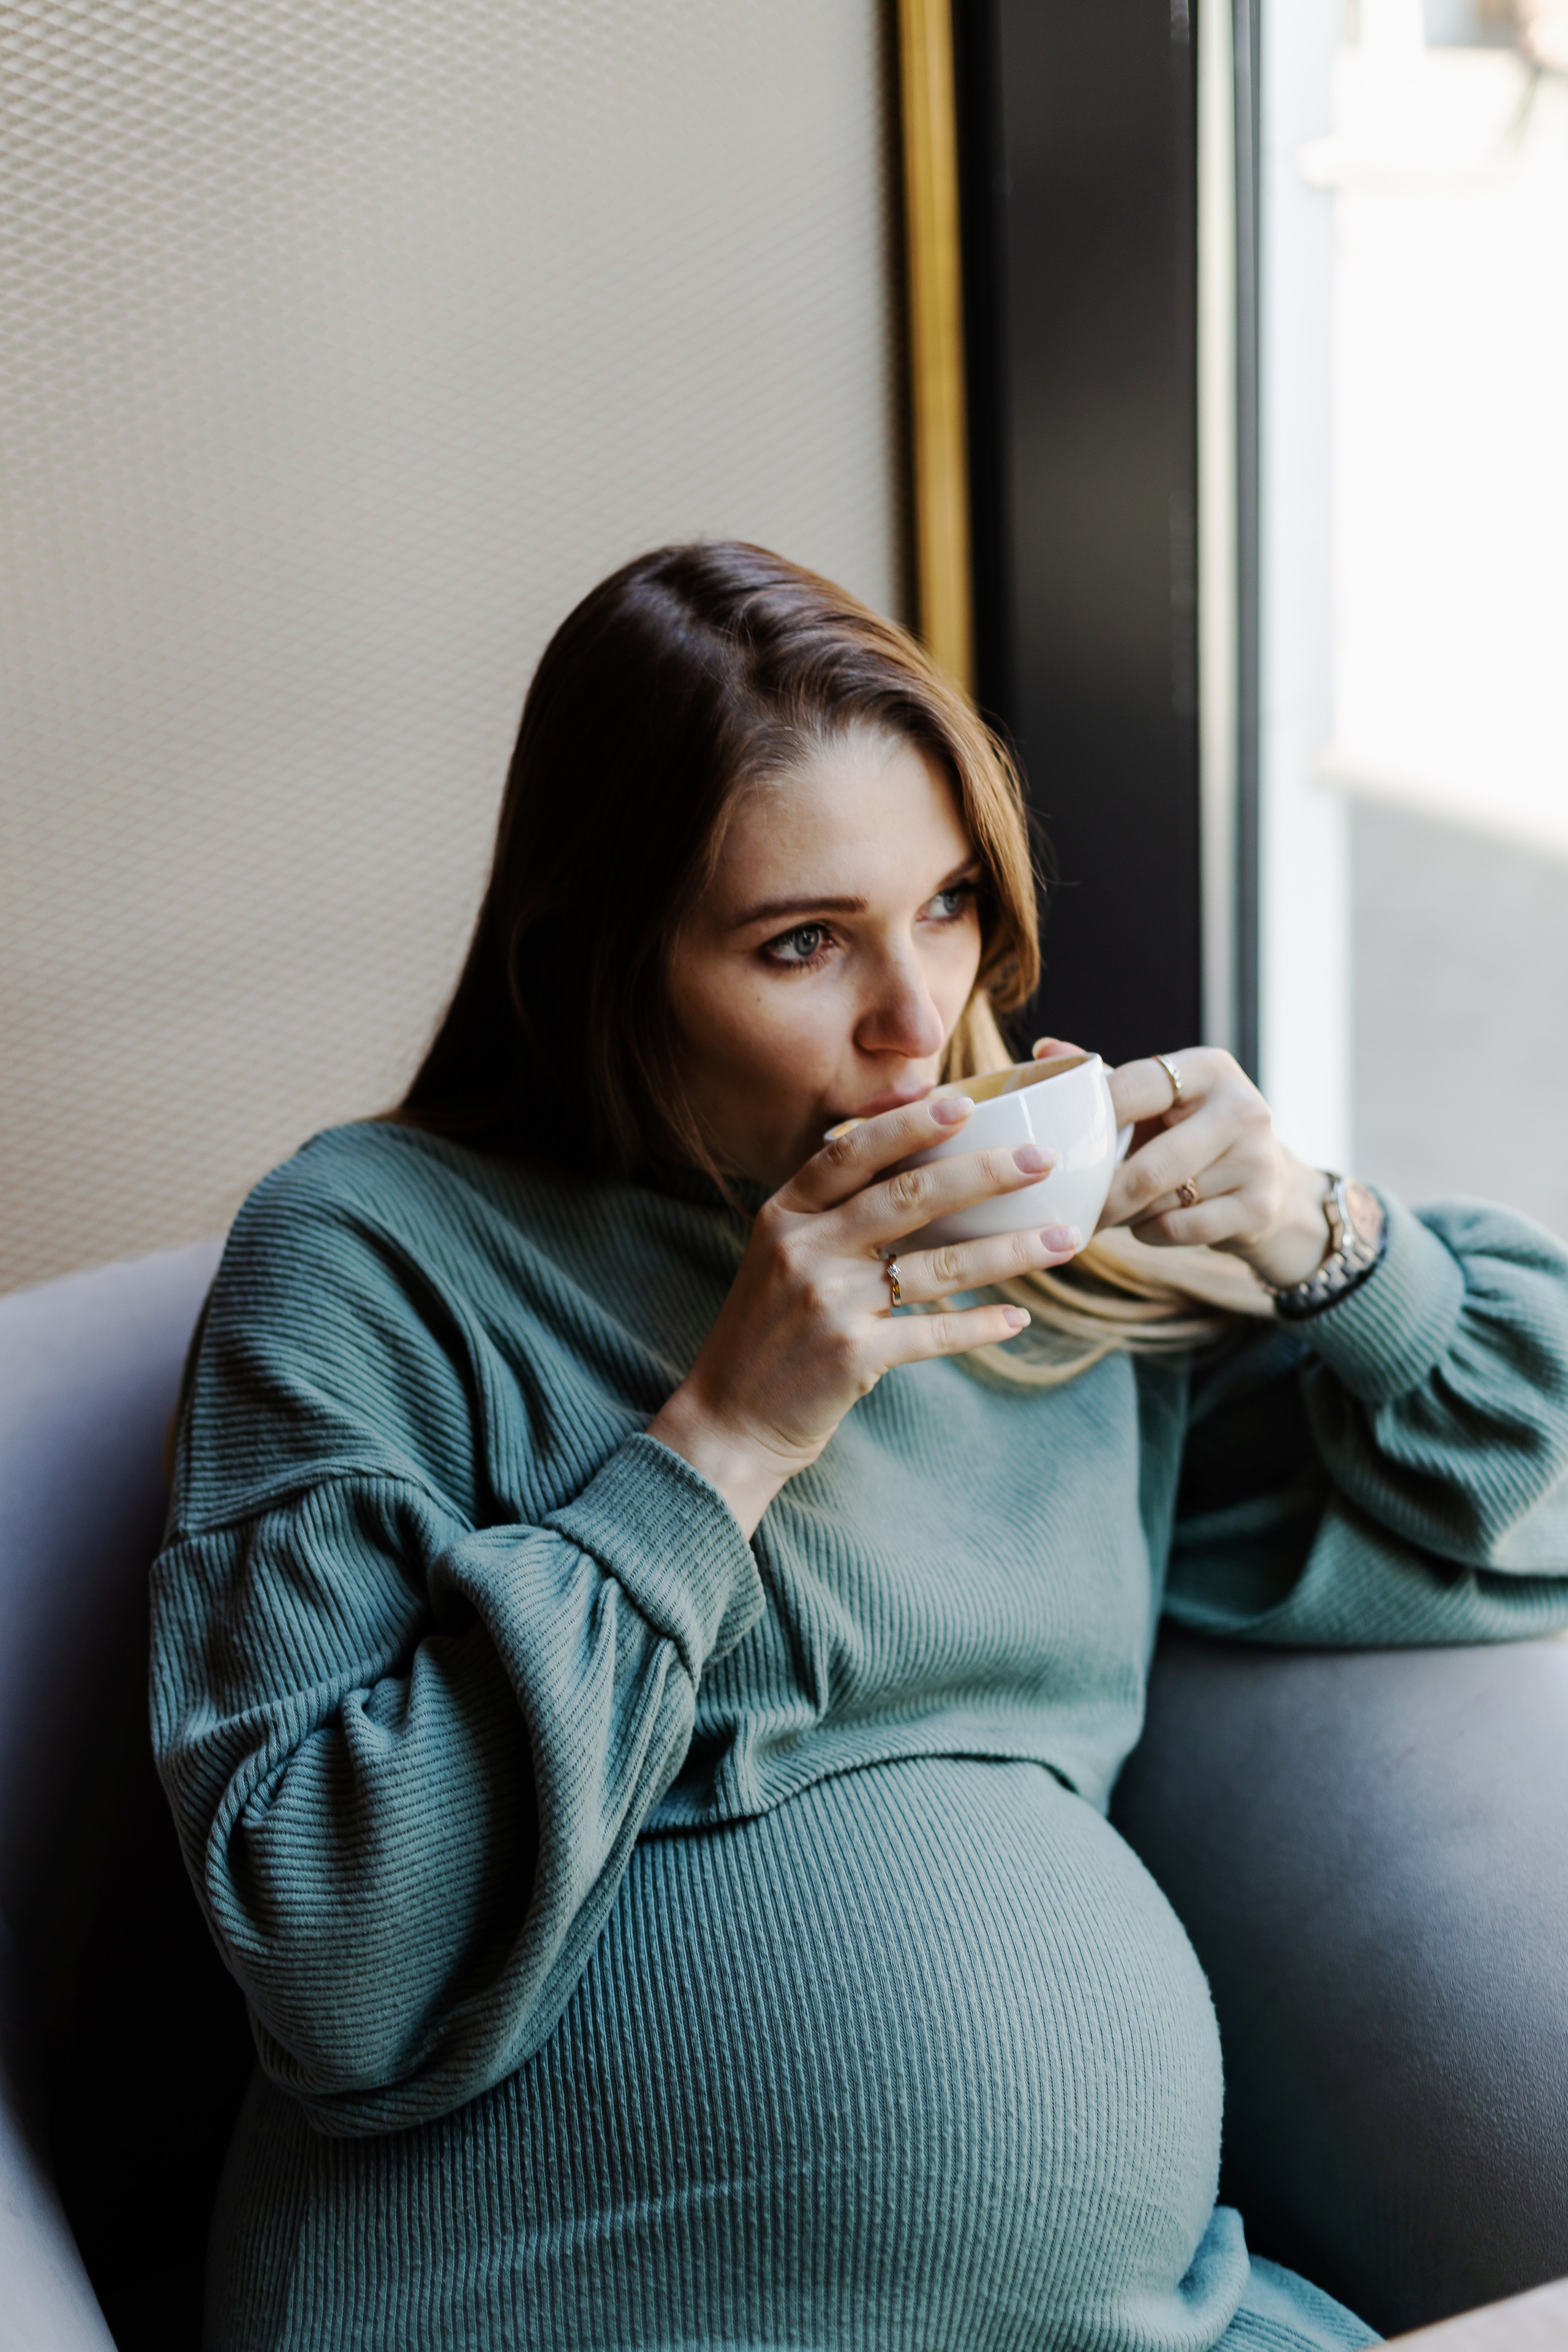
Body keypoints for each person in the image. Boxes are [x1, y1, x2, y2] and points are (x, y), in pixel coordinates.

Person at [153, 543, 1568, 2352]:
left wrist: (1321, 1240)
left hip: (1130, 2313)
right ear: (602, 962)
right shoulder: (374, 1250)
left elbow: (1525, 1499)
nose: (918, 1022)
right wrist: (724, 1439)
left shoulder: (1054, 1284)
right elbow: (339, 1957)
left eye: (954, 903)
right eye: (804, 944)